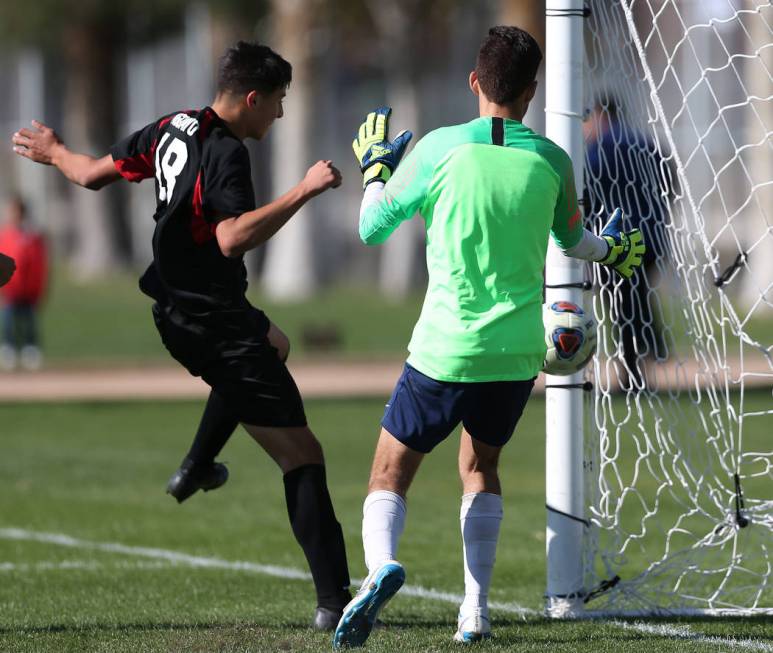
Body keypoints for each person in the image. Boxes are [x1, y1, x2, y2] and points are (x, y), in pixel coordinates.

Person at [12, 41, 352, 630]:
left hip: (175, 309)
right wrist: (305, 188)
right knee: (303, 454)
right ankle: (336, 604)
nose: (279, 114)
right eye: (277, 102)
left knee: (277, 343)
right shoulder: (227, 153)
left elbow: (92, 175)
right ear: (252, 97)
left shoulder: (173, 126)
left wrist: (55, 151)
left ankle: (197, 465)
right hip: (212, 321)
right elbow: (231, 238)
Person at [334, 26, 645, 648]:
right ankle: (474, 610)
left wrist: (375, 170)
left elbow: (370, 227)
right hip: (516, 354)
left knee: (389, 474)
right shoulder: (554, 159)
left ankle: (380, 569)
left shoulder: (440, 149)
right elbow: (576, 245)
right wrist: (615, 249)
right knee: (481, 469)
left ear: (475, 82)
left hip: (444, 349)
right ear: (533, 91)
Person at [584, 96, 672, 389]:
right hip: (650, 237)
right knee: (636, 300)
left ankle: (634, 374)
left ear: (599, 115)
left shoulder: (600, 147)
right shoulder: (644, 142)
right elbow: (670, 183)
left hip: (619, 242)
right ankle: (652, 351)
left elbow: (586, 188)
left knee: (622, 307)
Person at [0, 195, 48, 371]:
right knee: (8, 322)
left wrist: (38, 290)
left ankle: (31, 349)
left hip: (27, 291)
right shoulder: (4, 236)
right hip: (9, 290)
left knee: (29, 323)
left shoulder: (32, 237)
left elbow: (38, 266)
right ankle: (9, 349)